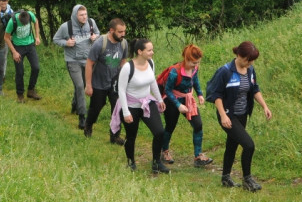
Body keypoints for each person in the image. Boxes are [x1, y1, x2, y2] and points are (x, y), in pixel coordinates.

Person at [206, 41, 273, 192]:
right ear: (239, 55)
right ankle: (247, 179)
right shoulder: (225, 71)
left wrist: (265, 106)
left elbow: (255, 89)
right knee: (249, 145)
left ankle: (225, 177)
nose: (250, 63)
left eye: (252, 60)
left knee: (232, 144)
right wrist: (223, 116)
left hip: (243, 114)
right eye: (247, 60)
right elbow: (216, 95)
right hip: (228, 115)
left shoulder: (250, 70)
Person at [110, 38, 168, 173]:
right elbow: (121, 91)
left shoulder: (151, 63)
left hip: (147, 102)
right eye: (149, 50)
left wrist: (159, 99)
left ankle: (156, 162)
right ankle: (131, 162)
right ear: (140, 51)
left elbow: (152, 81)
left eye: (152, 49)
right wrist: (126, 112)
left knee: (159, 132)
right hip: (130, 105)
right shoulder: (127, 67)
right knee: (131, 136)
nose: (152, 52)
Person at [160, 44, 213, 167]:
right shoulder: (175, 72)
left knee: (198, 124)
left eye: (198, 62)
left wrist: (199, 94)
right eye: (193, 62)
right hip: (172, 100)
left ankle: (198, 156)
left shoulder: (195, 68)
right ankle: (164, 151)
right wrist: (178, 105)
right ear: (186, 59)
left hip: (188, 99)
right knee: (170, 126)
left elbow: (195, 80)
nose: (196, 65)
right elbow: (167, 90)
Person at [52, 4, 99, 132]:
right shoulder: (66, 27)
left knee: (83, 84)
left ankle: (75, 104)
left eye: (85, 14)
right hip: (72, 61)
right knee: (80, 86)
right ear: (75, 15)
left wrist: (95, 37)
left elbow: (98, 33)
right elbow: (56, 39)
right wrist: (66, 43)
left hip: (88, 60)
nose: (84, 17)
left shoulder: (91, 23)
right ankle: (82, 116)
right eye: (81, 15)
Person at [84, 18, 128, 144]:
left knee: (117, 109)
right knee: (96, 107)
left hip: (115, 83)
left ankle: (114, 136)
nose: (123, 34)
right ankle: (88, 125)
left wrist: (124, 82)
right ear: (111, 30)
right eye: (120, 32)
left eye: (124, 31)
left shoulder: (124, 43)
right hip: (99, 82)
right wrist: (88, 85)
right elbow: (89, 64)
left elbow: (123, 62)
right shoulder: (99, 44)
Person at [4, 9, 42, 103]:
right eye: (23, 24)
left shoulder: (30, 15)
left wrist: (37, 36)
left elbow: (36, 21)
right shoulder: (12, 21)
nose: (25, 25)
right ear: (20, 19)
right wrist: (14, 52)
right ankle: (20, 95)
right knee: (20, 72)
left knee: (36, 68)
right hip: (18, 47)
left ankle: (31, 91)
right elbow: (6, 37)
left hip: (30, 45)